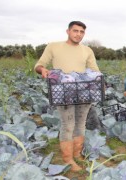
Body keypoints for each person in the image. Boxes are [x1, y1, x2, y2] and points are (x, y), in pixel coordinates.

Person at [34, 21, 100, 171]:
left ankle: (77, 154)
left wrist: (99, 80)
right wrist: (43, 70)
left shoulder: (87, 50)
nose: (78, 34)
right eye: (75, 31)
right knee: (68, 125)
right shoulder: (54, 46)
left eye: (81, 32)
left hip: (83, 91)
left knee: (80, 124)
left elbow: (94, 70)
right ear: (68, 31)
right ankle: (67, 159)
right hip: (62, 91)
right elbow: (39, 64)